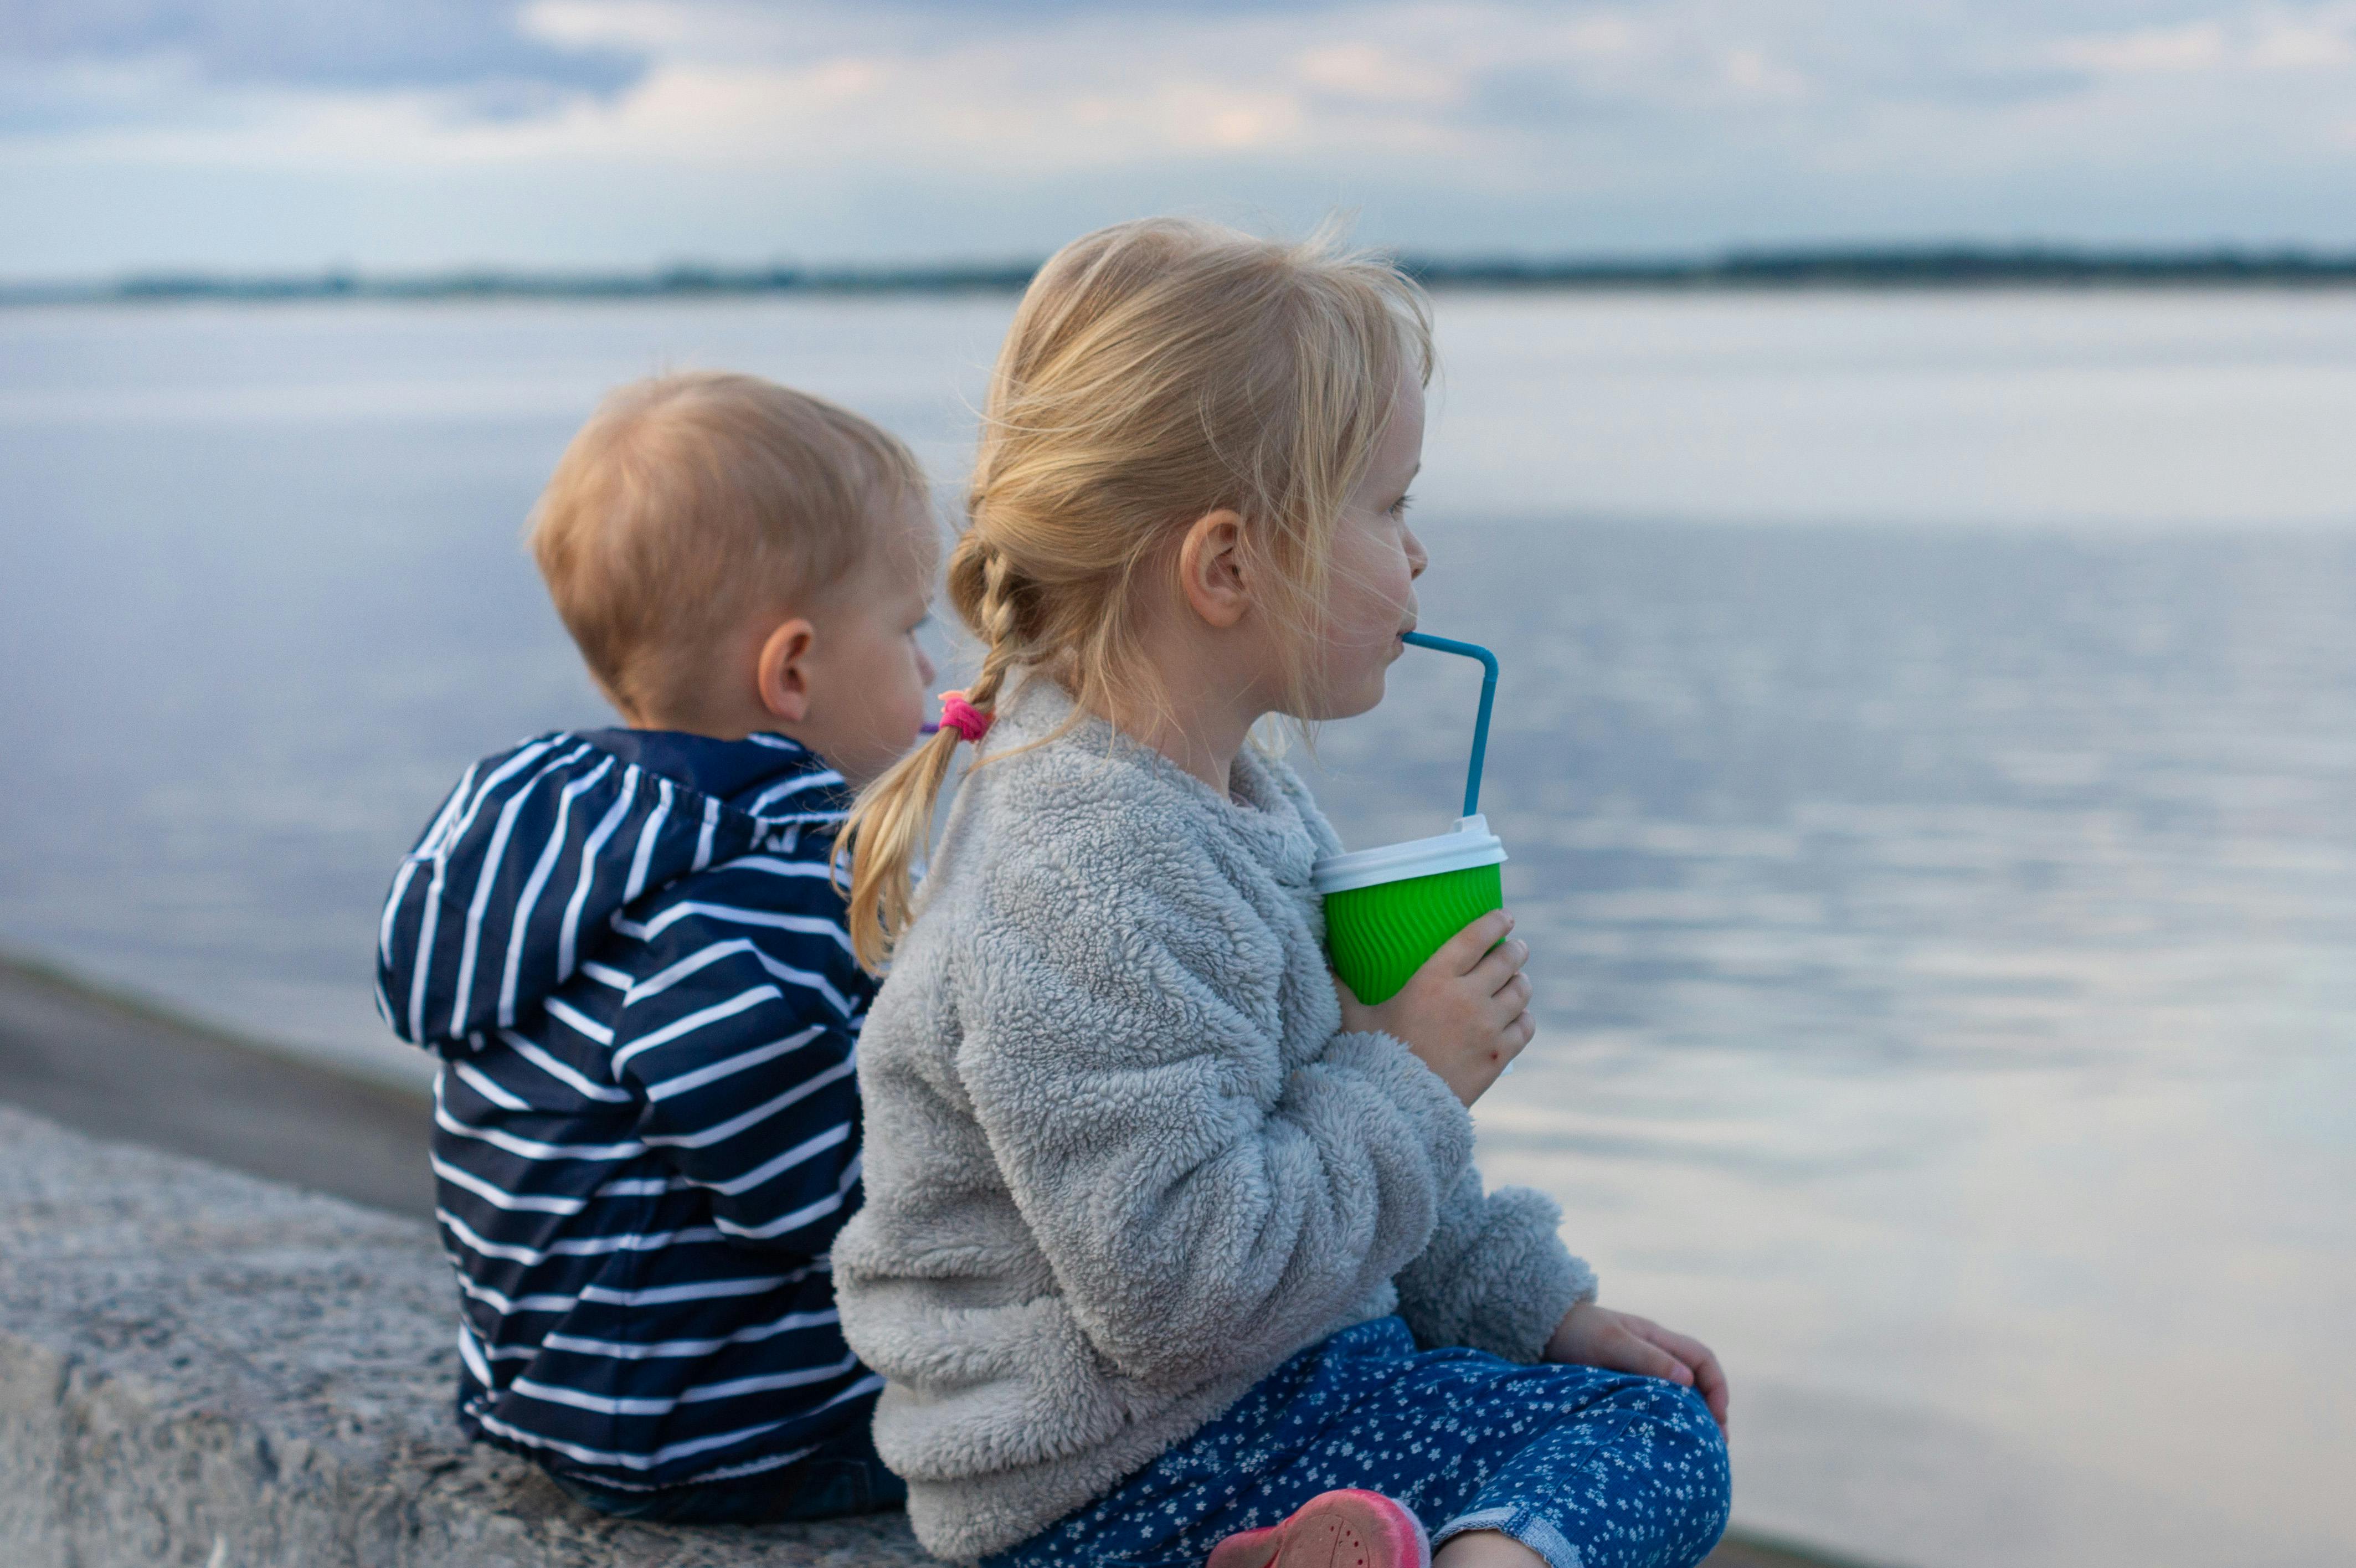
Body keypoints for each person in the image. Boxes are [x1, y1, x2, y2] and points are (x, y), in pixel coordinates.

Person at [832, 219, 1733, 1568]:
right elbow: (1178, 1296)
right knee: (1639, 1452)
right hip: (1103, 1488)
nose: (1418, 558)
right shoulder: (1084, 873)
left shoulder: (1231, 802)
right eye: (1391, 506)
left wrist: (1532, 1310)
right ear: (1229, 566)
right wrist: (1413, 1077)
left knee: (1650, 1419)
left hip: (1265, 1411)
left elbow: (1349, 1143)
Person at [375, 371, 936, 1523]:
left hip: (543, 1395)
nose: (932, 673)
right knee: (1087, 1416)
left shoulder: (559, 843)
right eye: (911, 631)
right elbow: (832, 1205)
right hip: (731, 1432)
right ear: (793, 671)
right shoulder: (756, 888)